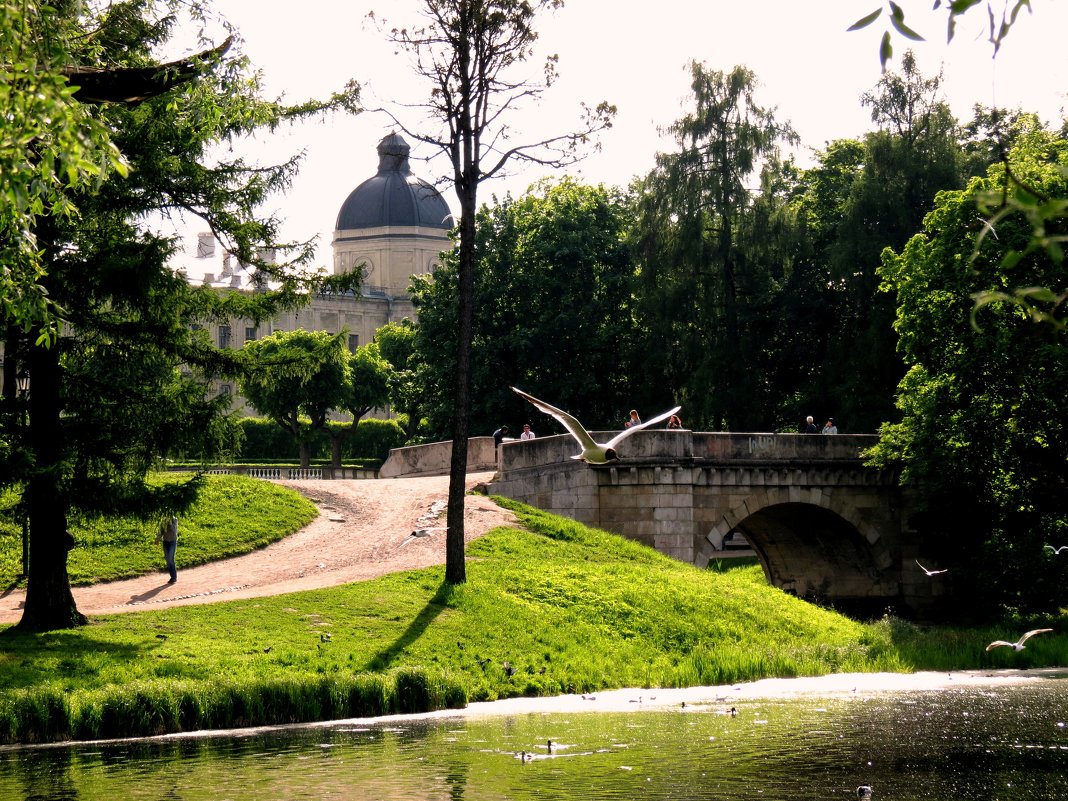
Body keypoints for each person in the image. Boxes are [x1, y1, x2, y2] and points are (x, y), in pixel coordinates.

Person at [155, 515, 179, 584]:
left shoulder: (174, 519)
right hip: (165, 542)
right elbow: (161, 531)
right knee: (168, 560)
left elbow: (173, 529)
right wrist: (157, 539)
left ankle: (174, 577)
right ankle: (172, 577)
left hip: (172, 542)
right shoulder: (163, 520)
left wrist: (168, 522)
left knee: (171, 559)